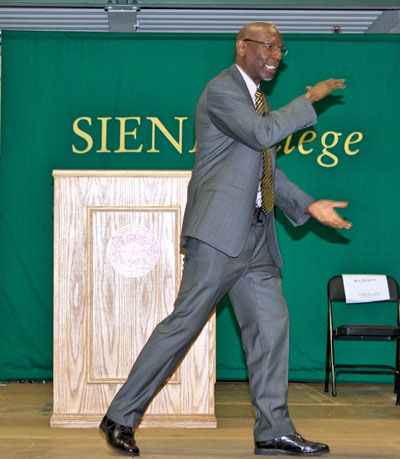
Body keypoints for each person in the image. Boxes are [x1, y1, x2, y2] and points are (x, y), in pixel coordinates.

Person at [100, 22, 351, 457]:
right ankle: (119, 416)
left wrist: (308, 206)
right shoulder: (222, 91)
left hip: (256, 237)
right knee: (183, 325)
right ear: (242, 46)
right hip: (218, 235)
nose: (276, 55)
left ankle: (273, 429)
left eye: (280, 48)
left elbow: (267, 168)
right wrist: (308, 99)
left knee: (272, 329)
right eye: (267, 46)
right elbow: (262, 134)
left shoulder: (259, 100)